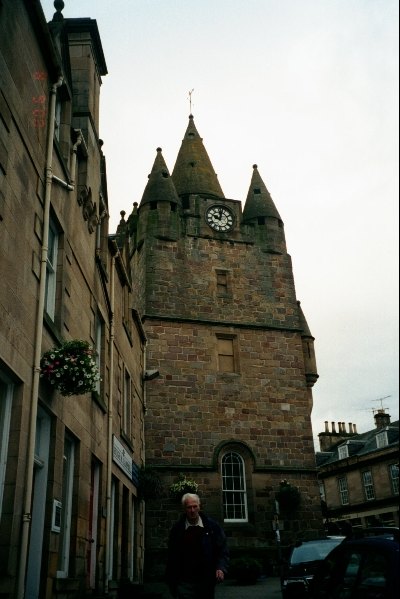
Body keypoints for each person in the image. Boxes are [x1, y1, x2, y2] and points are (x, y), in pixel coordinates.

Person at [166, 493, 229, 599]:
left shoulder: (212, 527)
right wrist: (172, 582)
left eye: (195, 506)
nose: (192, 510)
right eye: (189, 507)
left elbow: (222, 549)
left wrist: (220, 568)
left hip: (206, 581)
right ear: (184, 509)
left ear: (199, 507)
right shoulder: (177, 530)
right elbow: (172, 556)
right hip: (184, 582)